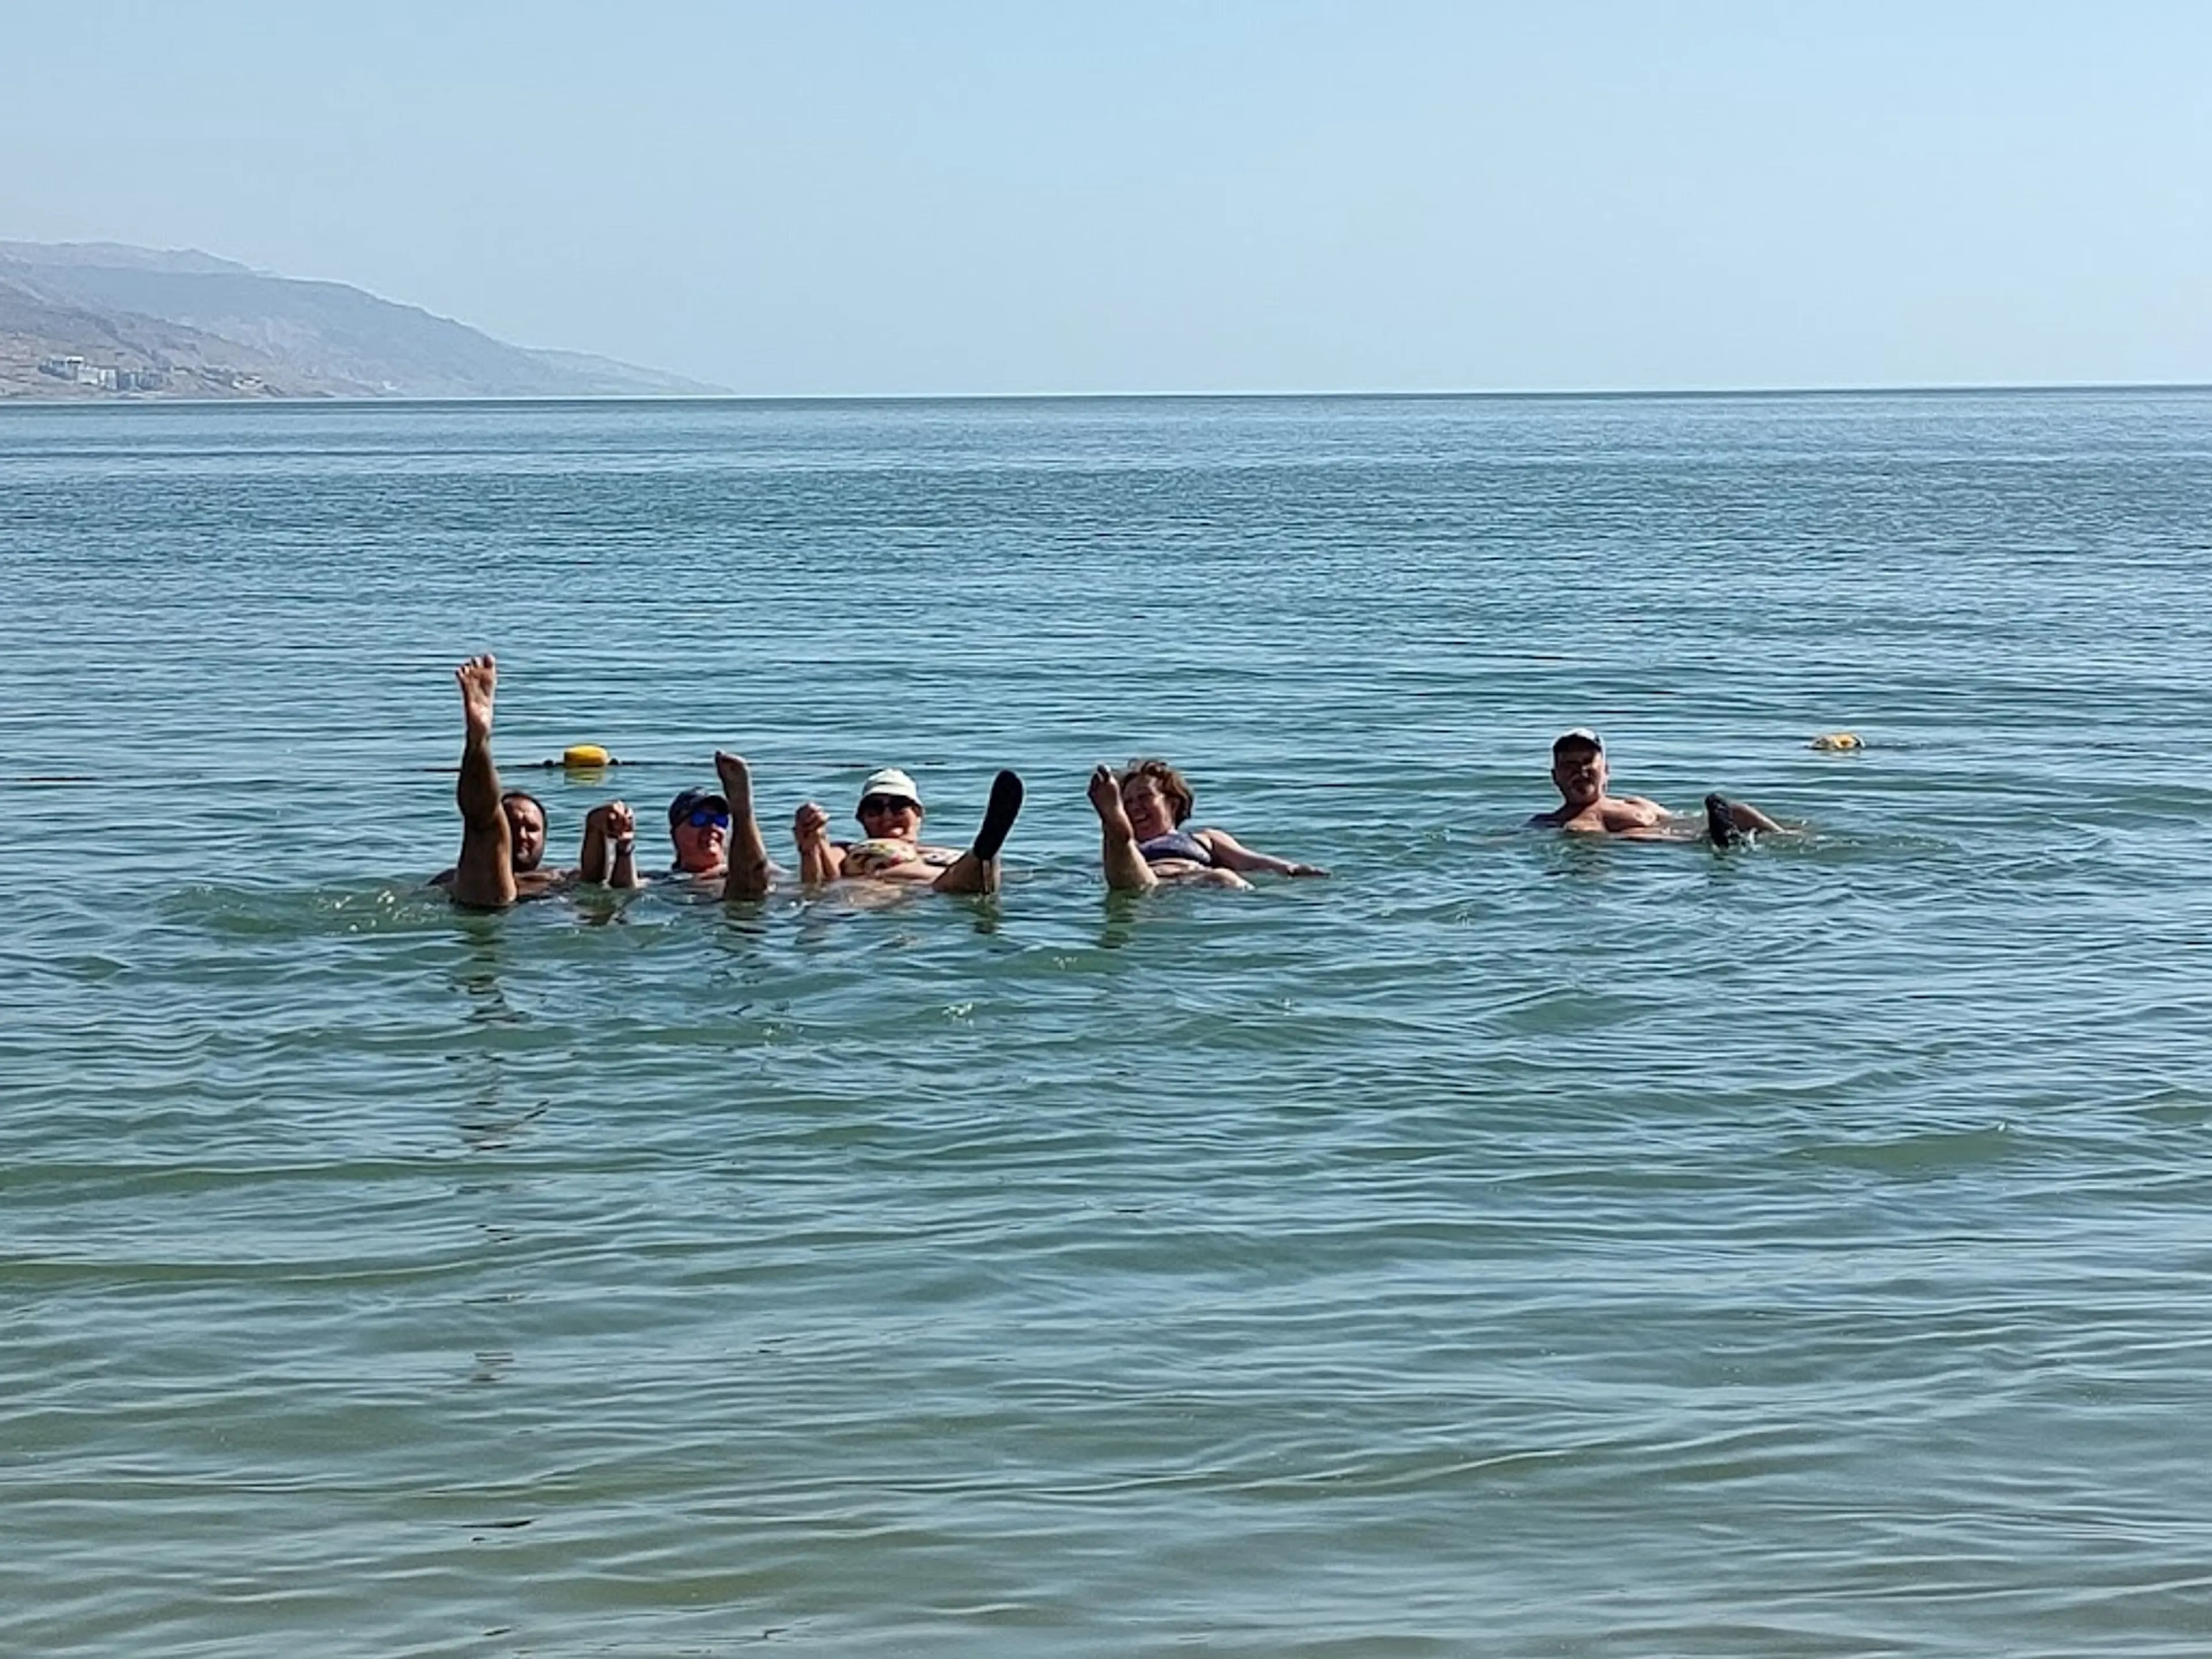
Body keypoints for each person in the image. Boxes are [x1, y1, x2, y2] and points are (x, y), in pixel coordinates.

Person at [440, 655, 638, 907]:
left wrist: (596, 827)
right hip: (484, 896)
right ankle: (478, 740)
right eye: (513, 826)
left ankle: (479, 740)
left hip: (533, 920)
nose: (523, 835)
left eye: (532, 829)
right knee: (482, 827)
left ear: (545, 836)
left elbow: (594, 880)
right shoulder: (454, 876)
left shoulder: (560, 877)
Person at [1088, 757, 1329, 892]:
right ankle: (1114, 828)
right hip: (1140, 874)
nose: (1136, 807)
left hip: (1192, 881)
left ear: (1172, 803)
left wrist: (1293, 869)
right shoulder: (1127, 852)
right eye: (1127, 803)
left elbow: (1250, 861)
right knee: (1126, 857)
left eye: (1144, 798)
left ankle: (1113, 827)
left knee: (1224, 876)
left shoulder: (1204, 838)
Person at [793, 766, 1024, 895]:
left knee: (972, 865)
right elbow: (824, 879)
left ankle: (987, 852)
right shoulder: (847, 849)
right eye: (874, 809)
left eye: (898, 807)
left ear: (919, 814)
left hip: (944, 882)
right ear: (861, 819)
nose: (887, 816)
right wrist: (815, 842)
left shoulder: (944, 853)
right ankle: (985, 857)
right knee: (961, 877)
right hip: (886, 892)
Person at [1528, 728, 1783, 844]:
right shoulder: (1552, 822)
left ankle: (1788, 838)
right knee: (1612, 833)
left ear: (1606, 772)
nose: (1581, 772)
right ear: (1556, 777)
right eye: (1570, 766)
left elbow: (1681, 818)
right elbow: (1513, 839)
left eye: (1588, 763)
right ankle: (1714, 840)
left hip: (1689, 830)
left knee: (1737, 810)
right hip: (1670, 848)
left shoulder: (1636, 803)